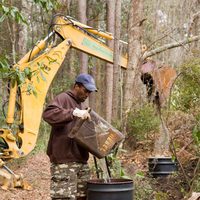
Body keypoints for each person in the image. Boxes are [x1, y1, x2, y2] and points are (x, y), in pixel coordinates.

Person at [42, 73, 97, 200]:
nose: (87, 94)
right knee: (64, 198)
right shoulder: (63, 98)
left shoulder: (82, 106)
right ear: (76, 86)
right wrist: (73, 113)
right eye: (85, 90)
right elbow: (48, 114)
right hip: (64, 162)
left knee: (82, 197)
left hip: (81, 162)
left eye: (90, 92)